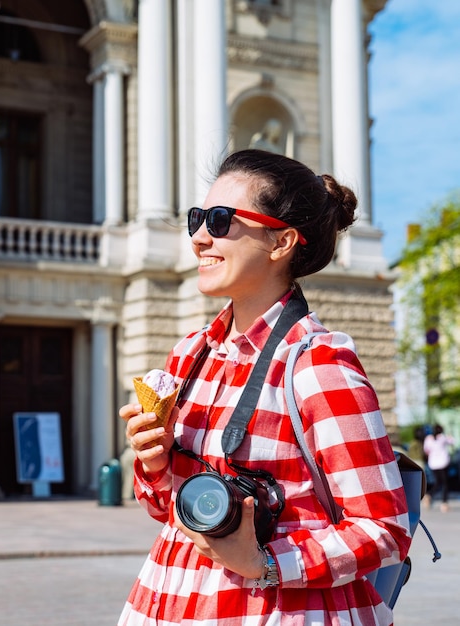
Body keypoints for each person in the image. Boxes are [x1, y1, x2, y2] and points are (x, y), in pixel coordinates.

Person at [119, 149, 411, 625]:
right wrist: (154, 461)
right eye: (197, 218)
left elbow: (385, 530)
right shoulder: (190, 355)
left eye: (219, 220)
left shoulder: (317, 363)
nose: (198, 237)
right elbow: (167, 511)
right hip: (171, 600)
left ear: (282, 242)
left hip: (277, 610)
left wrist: (267, 562)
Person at [423, 424, 454, 512]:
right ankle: (444, 503)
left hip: (433, 463)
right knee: (445, 483)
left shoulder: (428, 438)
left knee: (438, 482)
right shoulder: (442, 437)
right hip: (443, 463)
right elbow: (452, 442)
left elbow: (426, 450)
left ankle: (429, 495)